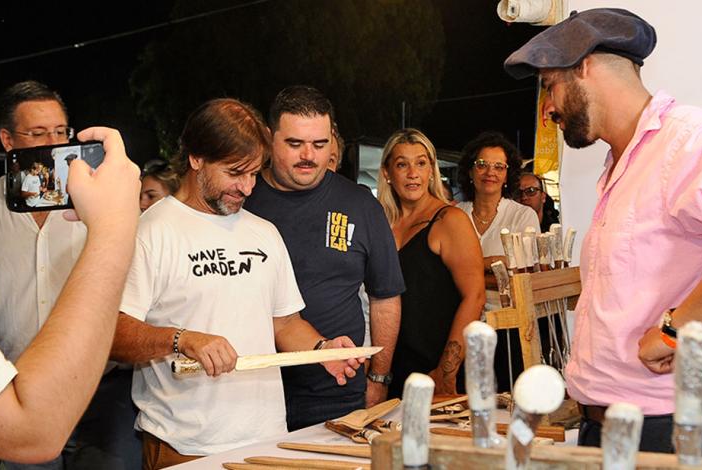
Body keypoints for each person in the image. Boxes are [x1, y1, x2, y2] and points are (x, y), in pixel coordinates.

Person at [504, 7, 702, 456]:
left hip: (668, 429)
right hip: (612, 423)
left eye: (550, 86)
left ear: (585, 65)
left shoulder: (685, 141)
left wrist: (678, 325)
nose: (549, 107)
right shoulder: (623, 160)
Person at [109, 98, 362, 469]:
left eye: (254, 174)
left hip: (266, 439)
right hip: (185, 442)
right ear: (196, 158)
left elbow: (285, 323)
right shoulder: (152, 232)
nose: (246, 188)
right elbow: (114, 334)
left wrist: (322, 350)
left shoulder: (264, 233)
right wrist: (182, 339)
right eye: (234, 172)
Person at [0, 80, 142, 470]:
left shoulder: (96, 200)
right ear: (7, 139)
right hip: (14, 389)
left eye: (60, 132)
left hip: (101, 391)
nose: (54, 143)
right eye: (38, 134)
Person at [244, 85, 404, 430]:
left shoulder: (361, 204)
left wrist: (378, 377)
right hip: (249, 388)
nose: (309, 156)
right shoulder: (243, 198)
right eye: (294, 144)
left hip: (338, 390)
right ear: (270, 139)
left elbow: (386, 298)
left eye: (319, 144)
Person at [377, 128, 485, 398]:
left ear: (431, 170)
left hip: (436, 371)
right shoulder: (380, 224)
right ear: (388, 173)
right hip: (392, 370)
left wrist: (446, 371)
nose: (413, 173)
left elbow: (475, 296)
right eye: (402, 164)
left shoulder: (449, 220)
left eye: (421, 163)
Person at [455, 131, 539, 392]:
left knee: (508, 399)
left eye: (498, 166)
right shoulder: (455, 213)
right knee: (463, 402)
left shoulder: (522, 216)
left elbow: (519, 271)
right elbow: (442, 269)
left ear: (507, 175)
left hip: (508, 326)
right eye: (482, 164)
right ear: (470, 171)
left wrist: (465, 267)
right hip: (460, 324)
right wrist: (492, 264)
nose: (489, 172)